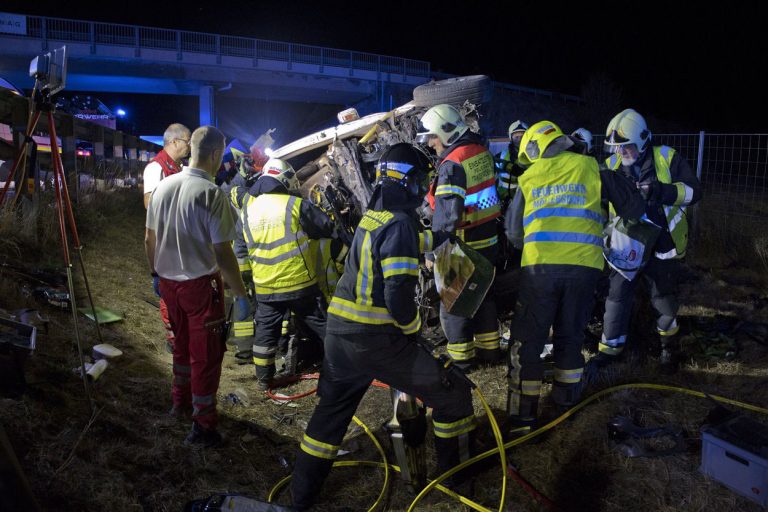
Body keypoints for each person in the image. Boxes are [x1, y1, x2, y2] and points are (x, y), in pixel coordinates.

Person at [290, 144, 476, 510]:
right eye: (421, 181)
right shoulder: (401, 223)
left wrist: (441, 237)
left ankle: (300, 497)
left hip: (339, 337)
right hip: (374, 342)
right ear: (408, 181)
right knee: (452, 393)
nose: (423, 189)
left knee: (329, 419)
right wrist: (413, 328)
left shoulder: (375, 215)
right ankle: (454, 480)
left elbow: (410, 240)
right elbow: (398, 297)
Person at [504, 120, 645, 429]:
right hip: (585, 270)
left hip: (539, 270)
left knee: (528, 342)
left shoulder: (529, 178)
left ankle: (522, 417)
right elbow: (634, 209)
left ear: (534, 150)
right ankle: (565, 406)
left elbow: (514, 233)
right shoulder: (594, 169)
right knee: (570, 337)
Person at [145, 126, 251, 447]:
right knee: (205, 357)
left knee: (180, 348)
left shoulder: (163, 187)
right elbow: (222, 252)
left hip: (169, 285)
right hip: (200, 288)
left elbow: (149, 237)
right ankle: (203, 426)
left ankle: (179, 403)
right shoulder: (211, 195)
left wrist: (156, 272)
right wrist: (241, 294)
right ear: (217, 155)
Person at [595, 108, 702, 372]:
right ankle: (610, 351)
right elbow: (600, 202)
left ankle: (669, 348)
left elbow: (693, 191)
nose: (621, 154)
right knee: (616, 296)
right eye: (617, 149)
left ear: (643, 141)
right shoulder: (610, 166)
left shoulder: (667, 158)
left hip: (662, 245)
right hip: (626, 244)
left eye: (627, 147)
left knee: (662, 298)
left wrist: (660, 191)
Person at [416, 104, 503, 369]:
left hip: (462, 244)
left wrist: (434, 252)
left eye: (432, 137)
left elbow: (447, 215)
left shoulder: (452, 165)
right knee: (484, 296)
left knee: (453, 304)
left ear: (446, 132)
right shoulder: (480, 152)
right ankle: (490, 352)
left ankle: (461, 362)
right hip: (489, 241)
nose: (431, 144)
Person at [240, 158, 336, 390]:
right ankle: (340, 369)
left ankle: (264, 380)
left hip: (265, 286)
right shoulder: (294, 204)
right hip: (299, 282)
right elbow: (325, 227)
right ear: (284, 180)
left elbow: (241, 247)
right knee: (324, 325)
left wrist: (246, 281)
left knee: (265, 332)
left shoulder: (248, 210)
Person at [142, 123, 191, 354]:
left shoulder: (179, 167)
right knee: (168, 292)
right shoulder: (156, 168)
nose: (189, 145)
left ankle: (182, 334)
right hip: (165, 241)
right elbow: (150, 203)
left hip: (181, 240)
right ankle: (174, 340)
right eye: (186, 141)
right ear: (173, 142)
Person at [495, 120, 530, 203]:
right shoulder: (500, 156)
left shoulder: (535, 156)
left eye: (522, 136)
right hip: (504, 201)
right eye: (516, 137)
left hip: (526, 200)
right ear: (511, 137)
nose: (519, 140)